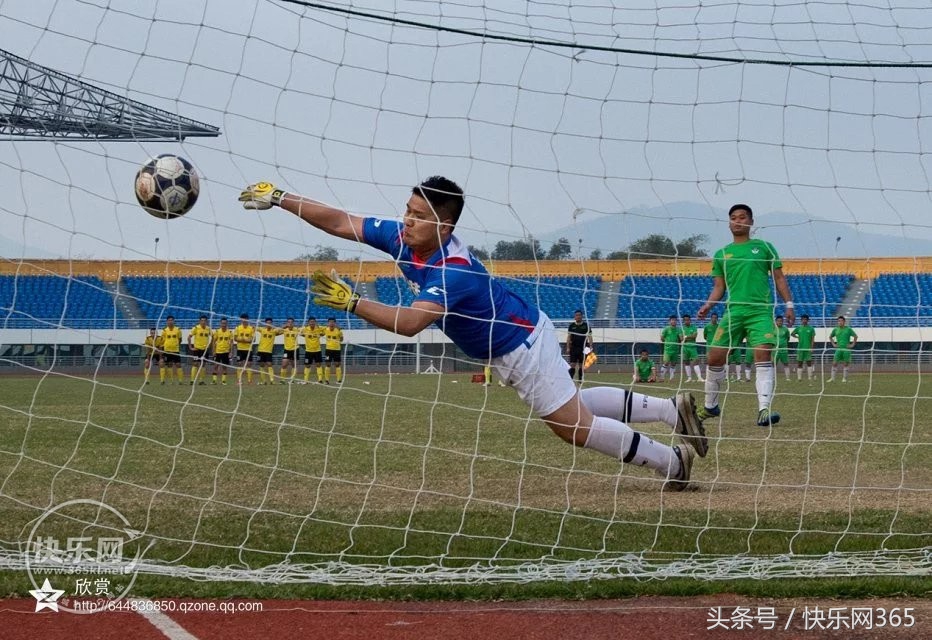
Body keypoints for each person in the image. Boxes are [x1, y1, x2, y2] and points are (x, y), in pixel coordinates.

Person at [239, 177, 708, 487]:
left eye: (417, 215)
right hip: (522, 332)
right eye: (406, 210)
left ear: (444, 225)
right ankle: (671, 410)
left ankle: (672, 463)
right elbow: (342, 221)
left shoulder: (453, 270)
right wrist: (282, 198)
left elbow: (411, 325)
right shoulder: (403, 238)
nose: (406, 220)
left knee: (571, 427)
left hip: (520, 346)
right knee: (573, 407)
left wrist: (353, 301)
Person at [697, 204, 795, 427]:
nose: (737, 221)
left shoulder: (764, 248)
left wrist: (789, 305)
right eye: (733, 218)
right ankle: (710, 406)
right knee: (714, 357)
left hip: (760, 311)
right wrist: (708, 306)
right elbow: (719, 287)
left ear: (751, 222)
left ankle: (763, 410)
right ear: (729, 223)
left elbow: (779, 278)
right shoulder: (722, 254)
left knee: (763, 354)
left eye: (742, 217)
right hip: (733, 312)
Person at [565, 309, 592, 383]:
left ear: (582, 316)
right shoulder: (571, 326)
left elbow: (590, 337)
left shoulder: (586, 326)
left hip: (584, 348)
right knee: (572, 364)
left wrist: (591, 346)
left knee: (581, 365)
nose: (578, 317)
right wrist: (567, 347)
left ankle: (580, 380)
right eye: (576, 315)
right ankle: (570, 379)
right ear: (574, 317)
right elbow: (569, 337)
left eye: (579, 315)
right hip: (574, 347)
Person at [829, 315, 858, 382]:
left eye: (841, 321)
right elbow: (830, 337)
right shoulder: (835, 329)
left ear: (844, 322)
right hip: (838, 349)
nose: (840, 322)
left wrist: (852, 344)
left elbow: (855, 336)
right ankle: (832, 378)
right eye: (838, 321)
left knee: (845, 364)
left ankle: (844, 379)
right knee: (834, 363)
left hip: (846, 349)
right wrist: (833, 344)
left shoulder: (848, 329)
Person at [187, 315, 212, 385]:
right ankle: (192, 380)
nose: (203, 322)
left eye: (205, 320)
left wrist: (209, 345)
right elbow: (189, 337)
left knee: (203, 364)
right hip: (197, 349)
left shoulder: (208, 329)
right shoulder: (196, 328)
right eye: (202, 320)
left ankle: (201, 381)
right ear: (199, 321)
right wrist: (190, 347)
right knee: (195, 364)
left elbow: (213, 337)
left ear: (207, 321)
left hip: (204, 350)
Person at [791, 313, 816, 382]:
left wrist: (811, 348)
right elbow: (792, 334)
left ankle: (810, 378)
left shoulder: (811, 329)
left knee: (809, 363)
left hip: (808, 348)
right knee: (799, 363)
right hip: (800, 348)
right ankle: (799, 378)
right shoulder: (798, 328)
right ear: (801, 320)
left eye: (806, 319)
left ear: (808, 320)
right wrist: (797, 337)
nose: (804, 320)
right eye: (803, 319)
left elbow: (813, 339)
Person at [160, 315, 184, 385]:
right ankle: (171, 381)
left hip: (175, 350)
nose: (170, 322)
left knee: (178, 364)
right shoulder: (164, 330)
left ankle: (180, 381)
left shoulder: (178, 330)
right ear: (167, 322)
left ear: (174, 321)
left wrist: (175, 345)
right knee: (169, 365)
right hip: (167, 350)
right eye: (169, 320)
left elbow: (180, 340)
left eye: (171, 320)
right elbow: (162, 342)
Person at [234, 313, 256, 385]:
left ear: (248, 320)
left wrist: (245, 340)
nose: (244, 321)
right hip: (240, 349)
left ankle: (250, 381)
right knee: (239, 364)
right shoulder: (238, 328)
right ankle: (239, 381)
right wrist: (242, 339)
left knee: (249, 364)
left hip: (248, 350)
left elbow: (254, 339)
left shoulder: (251, 328)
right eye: (243, 319)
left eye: (245, 319)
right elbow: (235, 338)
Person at [211, 317, 234, 385]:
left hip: (226, 352)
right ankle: (214, 381)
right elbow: (213, 342)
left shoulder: (230, 332)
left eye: (225, 323)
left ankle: (223, 381)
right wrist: (213, 351)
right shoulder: (217, 332)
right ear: (220, 324)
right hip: (218, 352)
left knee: (224, 367)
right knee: (215, 366)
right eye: (222, 323)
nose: (223, 324)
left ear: (227, 323)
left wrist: (231, 352)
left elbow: (232, 343)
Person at [301, 317, 325, 383]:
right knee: (307, 365)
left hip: (317, 350)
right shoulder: (305, 329)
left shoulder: (319, 328)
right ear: (308, 323)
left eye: (313, 321)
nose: (312, 323)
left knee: (318, 364)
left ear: (315, 322)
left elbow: (325, 331)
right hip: (308, 351)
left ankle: (320, 379)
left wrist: (321, 334)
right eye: (311, 322)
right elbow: (300, 332)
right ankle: (305, 380)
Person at [659, 315, 682, 382]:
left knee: (673, 364)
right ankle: (662, 377)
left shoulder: (679, 329)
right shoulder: (666, 329)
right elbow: (662, 338)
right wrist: (667, 343)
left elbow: (681, 338)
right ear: (669, 321)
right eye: (672, 320)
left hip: (675, 349)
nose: (674, 321)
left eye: (675, 320)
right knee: (666, 362)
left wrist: (682, 338)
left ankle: (671, 378)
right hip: (668, 349)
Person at [680, 314, 702, 382]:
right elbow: (681, 338)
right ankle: (689, 378)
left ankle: (699, 378)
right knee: (686, 362)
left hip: (692, 347)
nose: (687, 321)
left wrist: (686, 337)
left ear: (690, 320)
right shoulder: (681, 328)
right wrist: (688, 337)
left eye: (688, 320)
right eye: (685, 320)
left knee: (695, 361)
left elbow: (694, 336)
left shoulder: (694, 327)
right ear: (683, 321)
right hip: (685, 348)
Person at [256, 317, 278, 385]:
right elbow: (254, 327)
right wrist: (258, 322)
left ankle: (272, 380)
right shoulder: (262, 329)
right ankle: (264, 381)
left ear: (272, 324)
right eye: (267, 323)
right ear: (265, 323)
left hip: (269, 351)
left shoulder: (274, 331)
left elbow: (281, 330)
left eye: (270, 323)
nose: (269, 324)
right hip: (260, 350)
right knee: (261, 365)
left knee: (269, 364)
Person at [323, 317, 344, 384]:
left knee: (337, 364)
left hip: (337, 350)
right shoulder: (325, 329)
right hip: (328, 350)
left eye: (333, 322)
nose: (331, 323)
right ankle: (327, 380)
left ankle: (339, 380)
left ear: (335, 323)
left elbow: (341, 339)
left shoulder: (338, 330)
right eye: (330, 322)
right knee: (327, 364)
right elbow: (320, 332)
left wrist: (339, 338)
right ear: (328, 323)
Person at [279, 317, 300, 383]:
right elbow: (277, 330)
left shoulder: (296, 329)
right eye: (288, 322)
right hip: (287, 349)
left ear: (293, 323)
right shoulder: (284, 330)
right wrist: (284, 326)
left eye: (291, 322)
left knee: (294, 365)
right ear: (287, 323)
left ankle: (292, 380)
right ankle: (282, 380)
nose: (290, 323)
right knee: (284, 365)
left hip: (295, 349)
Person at [773, 315, 791, 381]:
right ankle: (773, 377)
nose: (780, 322)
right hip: (775, 349)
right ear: (776, 321)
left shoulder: (785, 329)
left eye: (781, 321)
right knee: (773, 363)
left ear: (783, 322)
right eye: (778, 321)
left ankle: (788, 378)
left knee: (786, 363)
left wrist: (783, 343)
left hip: (783, 349)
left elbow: (788, 338)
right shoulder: (773, 329)